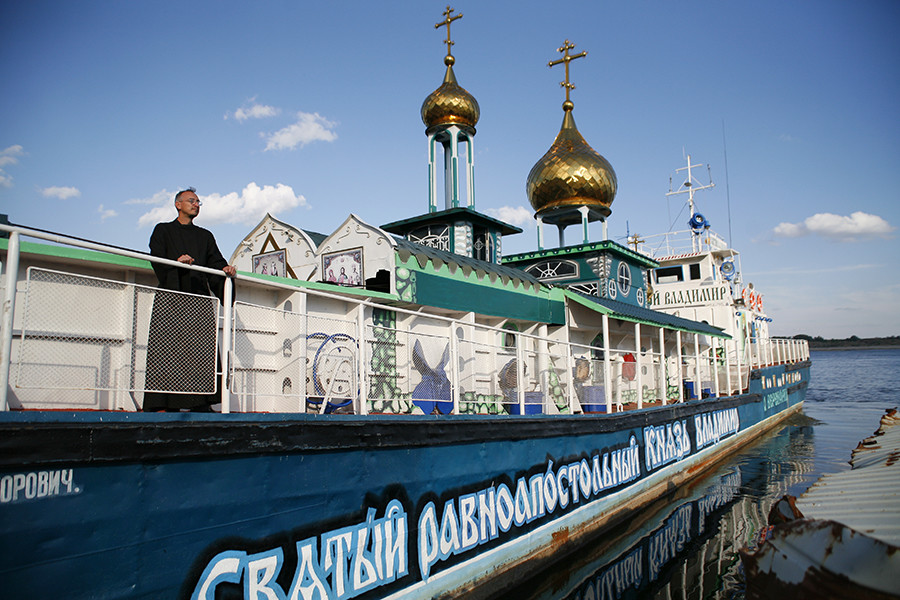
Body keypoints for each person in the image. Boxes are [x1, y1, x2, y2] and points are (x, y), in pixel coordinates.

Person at [142, 188, 236, 412]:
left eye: (198, 202)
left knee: (201, 351)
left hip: (198, 298)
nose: (196, 205)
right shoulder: (162, 230)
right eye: (191, 201)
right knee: (167, 349)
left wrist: (225, 270)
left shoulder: (205, 236)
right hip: (172, 297)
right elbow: (157, 258)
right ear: (178, 204)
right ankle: (164, 403)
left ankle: (201, 403)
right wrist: (177, 262)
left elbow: (215, 262)